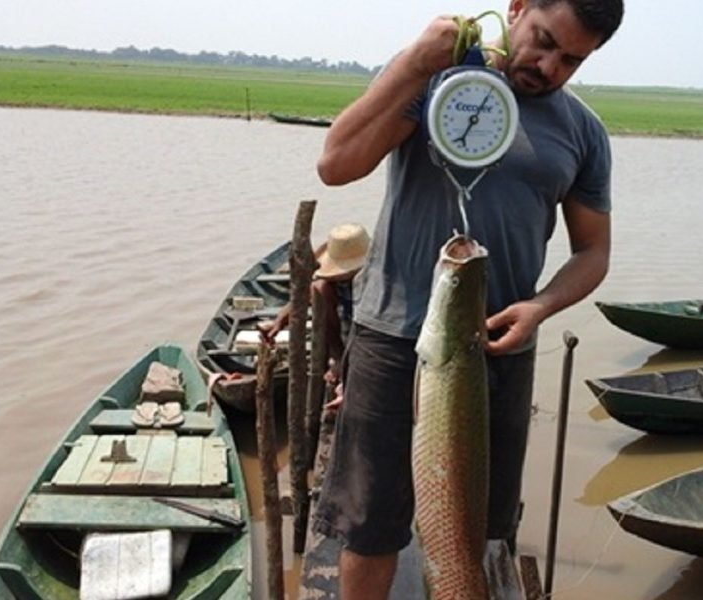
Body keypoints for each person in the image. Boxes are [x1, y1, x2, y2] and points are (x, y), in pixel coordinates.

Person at [313, 1, 624, 597]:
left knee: (476, 527)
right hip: (393, 337)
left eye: (571, 60)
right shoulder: (436, 79)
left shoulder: (582, 133)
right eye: (542, 40)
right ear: (516, 8)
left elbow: (593, 252)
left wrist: (541, 307)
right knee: (368, 522)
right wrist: (412, 65)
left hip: (497, 354)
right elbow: (335, 164)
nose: (548, 66)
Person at [259, 222, 370, 407]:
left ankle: (350, 371)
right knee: (318, 289)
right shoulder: (329, 283)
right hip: (346, 330)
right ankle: (339, 361)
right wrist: (279, 322)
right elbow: (303, 296)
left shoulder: (381, 276)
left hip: (372, 332)